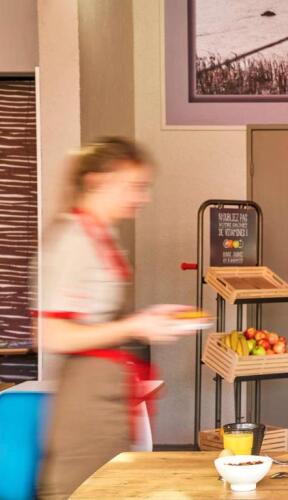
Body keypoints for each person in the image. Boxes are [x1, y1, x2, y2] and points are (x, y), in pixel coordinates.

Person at [36, 138, 194, 499]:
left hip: (107, 394)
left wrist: (146, 319)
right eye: (134, 186)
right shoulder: (73, 240)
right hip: (87, 402)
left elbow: (94, 321)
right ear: (96, 181)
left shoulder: (101, 235)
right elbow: (51, 333)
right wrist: (135, 326)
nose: (144, 197)